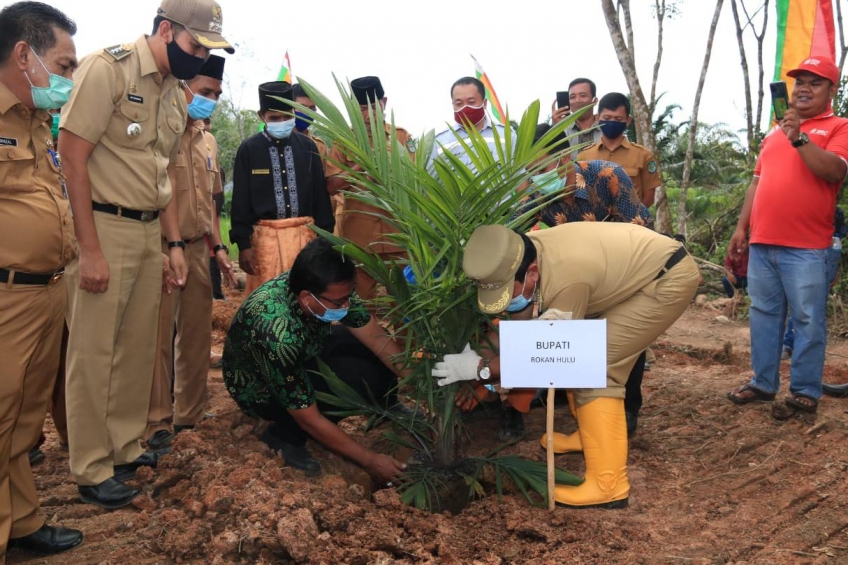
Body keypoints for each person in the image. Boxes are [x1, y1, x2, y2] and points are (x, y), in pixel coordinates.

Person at [59, 0, 234, 509]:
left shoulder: (171, 92)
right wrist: (89, 249)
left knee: (136, 349)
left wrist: (175, 243)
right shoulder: (106, 69)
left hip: (149, 230)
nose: (200, 57)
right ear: (165, 30)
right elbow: (72, 157)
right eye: (195, 46)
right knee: (95, 351)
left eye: (208, 50)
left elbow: (163, 175)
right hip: (103, 225)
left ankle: (124, 447)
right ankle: (91, 466)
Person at [432, 223, 699, 507]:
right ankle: (591, 438)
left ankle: (608, 485)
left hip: (665, 279)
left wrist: (480, 369)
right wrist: (476, 363)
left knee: (594, 367)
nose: (504, 302)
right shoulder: (517, 257)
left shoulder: (567, 279)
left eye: (508, 292)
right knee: (580, 358)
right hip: (629, 276)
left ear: (532, 272)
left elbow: (548, 353)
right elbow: (518, 329)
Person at [0, 1, 83, 556]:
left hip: (47, 290)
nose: (70, 78)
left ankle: (23, 522)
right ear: (24, 54)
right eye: (66, 64)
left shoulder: (35, 121)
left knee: (25, 420)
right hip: (7, 296)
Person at [222, 238, 408, 482]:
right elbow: (308, 418)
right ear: (307, 297)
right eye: (340, 302)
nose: (347, 305)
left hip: (307, 346)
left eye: (349, 296)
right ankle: (284, 436)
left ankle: (385, 406)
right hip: (262, 389)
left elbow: (376, 339)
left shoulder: (327, 287)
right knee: (347, 383)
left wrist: (422, 382)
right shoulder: (277, 334)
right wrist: (370, 461)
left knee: (368, 356)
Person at [727, 56, 848, 415]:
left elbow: (834, 170)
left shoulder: (839, 126)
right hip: (764, 243)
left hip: (809, 248)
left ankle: (805, 390)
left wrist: (800, 138)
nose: (804, 89)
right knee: (763, 314)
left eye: (815, 82)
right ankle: (763, 383)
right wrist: (741, 228)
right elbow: (757, 182)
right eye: (800, 82)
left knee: (808, 319)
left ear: (831, 90)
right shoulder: (774, 132)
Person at [145, 54, 237, 451]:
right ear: (183, 86)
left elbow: (210, 202)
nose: (211, 100)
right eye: (204, 91)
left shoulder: (208, 139)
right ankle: (155, 423)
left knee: (197, 334)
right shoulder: (156, 129)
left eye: (216, 94)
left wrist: (217, 246)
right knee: (157, 338)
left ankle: (191, 413)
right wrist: (174, 245)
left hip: (198, 249)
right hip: (162, 248)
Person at [230, 81, 335, 295]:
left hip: (304, 240)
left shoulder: (308, 147)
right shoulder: (249, 149)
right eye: (274, 118)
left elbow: (320, 198)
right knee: (268, 301)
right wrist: (243, 245)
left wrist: (324, 241)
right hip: (265, 245)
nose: (281, 122)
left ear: (293, 113)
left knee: (304, 297)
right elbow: (240, 200)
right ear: (262, 116)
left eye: (287, 117)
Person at [335, 76, 413, 301]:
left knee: (404, 305)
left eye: (371, 107)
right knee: (361, 305)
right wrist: (362, 163)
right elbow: (332, 185)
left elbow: (416, 179)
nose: (367, 115)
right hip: (360, 240)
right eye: (361, 109)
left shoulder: (401, 136)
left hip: (397, 237)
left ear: (384, 102)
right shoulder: (343, 141)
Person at [577, 92, 662, 208]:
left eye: (618, 118)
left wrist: (634, 216)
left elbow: (649, 196)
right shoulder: (584, 156)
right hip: (595, 224)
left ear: (628, 121)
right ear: (597, 118)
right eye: (607, 118)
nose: (612, 122)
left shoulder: (643, 156)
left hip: (631, 223)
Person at [781, 207, 845, 360]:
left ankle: (803, 350)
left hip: (819, 277)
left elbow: (833, 262)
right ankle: (792, 345)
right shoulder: (831, 240)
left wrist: (832, 275)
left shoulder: (834, 241)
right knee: (804, 310)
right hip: (812, 274)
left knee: (809, 312)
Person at [430, 76, 510, 171]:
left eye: (471, 102)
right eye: (459, 104)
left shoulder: (506, 135)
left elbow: (519, 176)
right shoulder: (440, 142)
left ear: (484, 103)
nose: (465, 108)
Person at [550, 77, 600, 159]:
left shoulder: (605, 127)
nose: (577, 100)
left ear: (594, 101)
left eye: (583, 95)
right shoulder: (562, 129)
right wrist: (555, 129)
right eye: (572, 97)